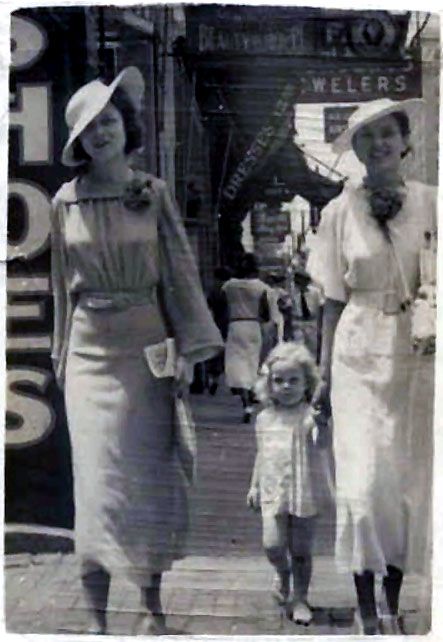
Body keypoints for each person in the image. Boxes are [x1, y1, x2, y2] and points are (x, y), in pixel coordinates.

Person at [50, 67, 223, 635]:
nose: (102, 133)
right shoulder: (65, 201)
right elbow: (59, 288)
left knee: (147, 479)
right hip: (88, 356)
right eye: (90, 127)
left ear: (127, 126)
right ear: (78, 141)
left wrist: (186, 353)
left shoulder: (153, 193)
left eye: (110, 121)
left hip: (147, 349)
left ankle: (151, 610)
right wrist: (59, 355)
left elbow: (177, 274)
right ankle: (98, 622)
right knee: (95, 486)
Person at [310, 98, 437, 635]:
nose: (379, 144)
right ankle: (366, 610)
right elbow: (333, 298)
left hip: (417, 351)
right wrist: (322, 372)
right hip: (357, 349)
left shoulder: (433, 204)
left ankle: (391, 602)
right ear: (356, 150)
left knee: (405, 484)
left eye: (388, 133)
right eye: (367, 136)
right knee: (361, 485)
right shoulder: (339, 211)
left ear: (404, 142)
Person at [246, 342, 326, 625]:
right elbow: (261, 454)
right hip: (272, 489)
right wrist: (254, 485)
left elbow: (323, 445)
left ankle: (301, 597)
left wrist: (323, 424)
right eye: (279, 381)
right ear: (268, 384)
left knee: (302, 550)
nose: (286, 386)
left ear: (307, 383)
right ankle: (282, 572)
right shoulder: (265, 418)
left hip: (304, 489)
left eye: (294, 380)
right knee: (272, 544)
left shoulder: (309, 417)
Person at [222, 253, 270, 423]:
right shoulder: (260, 287)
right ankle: (251, 393)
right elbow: (265, 313)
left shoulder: (229, 286)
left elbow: (223, 306)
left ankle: (246, 403)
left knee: (237, 364)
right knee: (252, 363)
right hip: (253, 326)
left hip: (235, 325)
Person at [205, 266, 232, 395]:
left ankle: (213, 379)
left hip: (215, 323)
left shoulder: (213, 290)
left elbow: (208, 306)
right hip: (231, 323)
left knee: (215, 354)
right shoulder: (231, 290)